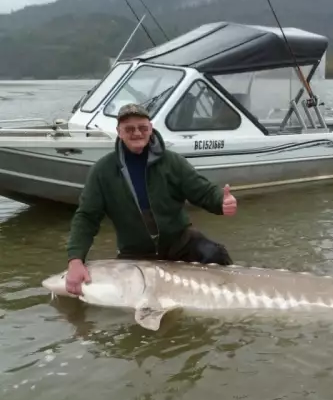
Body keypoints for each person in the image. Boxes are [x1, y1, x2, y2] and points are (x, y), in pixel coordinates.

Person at [65, 103, 238, 296]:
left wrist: (221, 202)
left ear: (150, 129)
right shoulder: (102, 171)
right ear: (119, 132)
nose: (137, 133)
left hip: (179, 242)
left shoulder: (172, 162)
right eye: (129, 129)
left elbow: (202, 191)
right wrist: (75, 260)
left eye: (142, 128)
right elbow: (86, 217)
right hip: (136, 253)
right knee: (129, 302)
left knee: (215, 255)